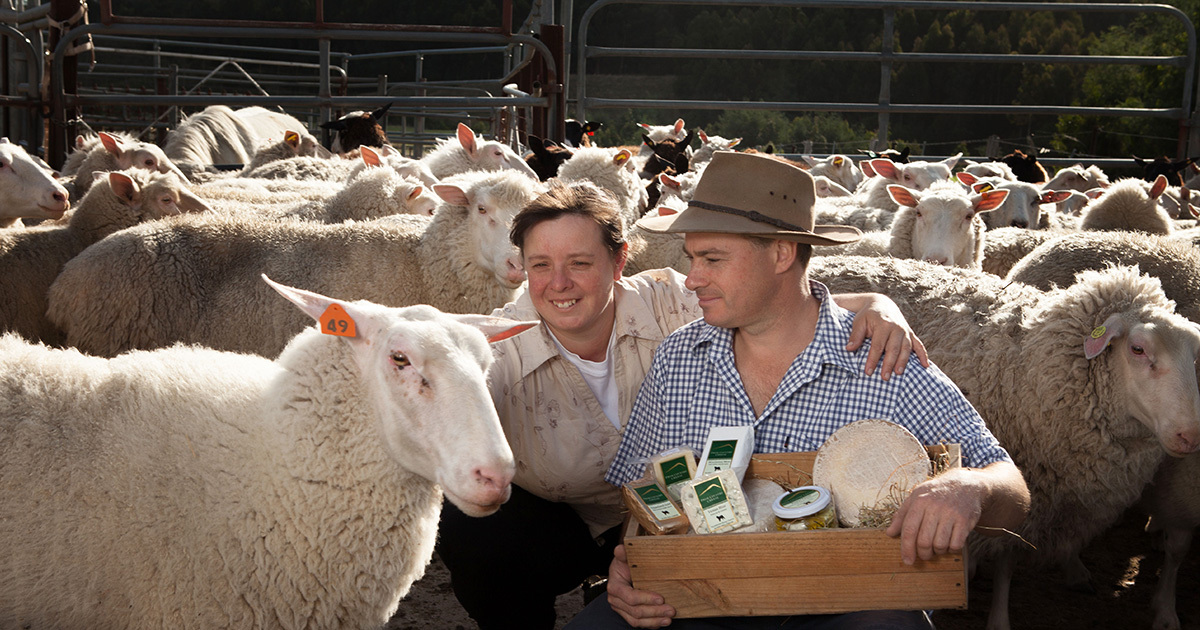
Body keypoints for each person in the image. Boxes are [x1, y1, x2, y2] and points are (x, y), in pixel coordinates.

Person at [435, 178, 931, 630]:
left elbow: (779, 304)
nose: (558, 283)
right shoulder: (499, 347)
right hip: (570, 521)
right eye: (540, 265)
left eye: (580, 263)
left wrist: (874, 305)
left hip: (682, 517)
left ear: (619, 260)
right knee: (475, 530)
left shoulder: (671, 302)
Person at [565, 151, 1031, 630]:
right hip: (704, 596)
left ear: (783, 253)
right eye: (692, 259)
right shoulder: (679, 357)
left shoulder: (881, 360)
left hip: (848, 601)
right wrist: (628, 566)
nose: (694, 278)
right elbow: (644, 490)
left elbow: (1013, 490)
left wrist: (969, 486)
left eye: (712, 259)